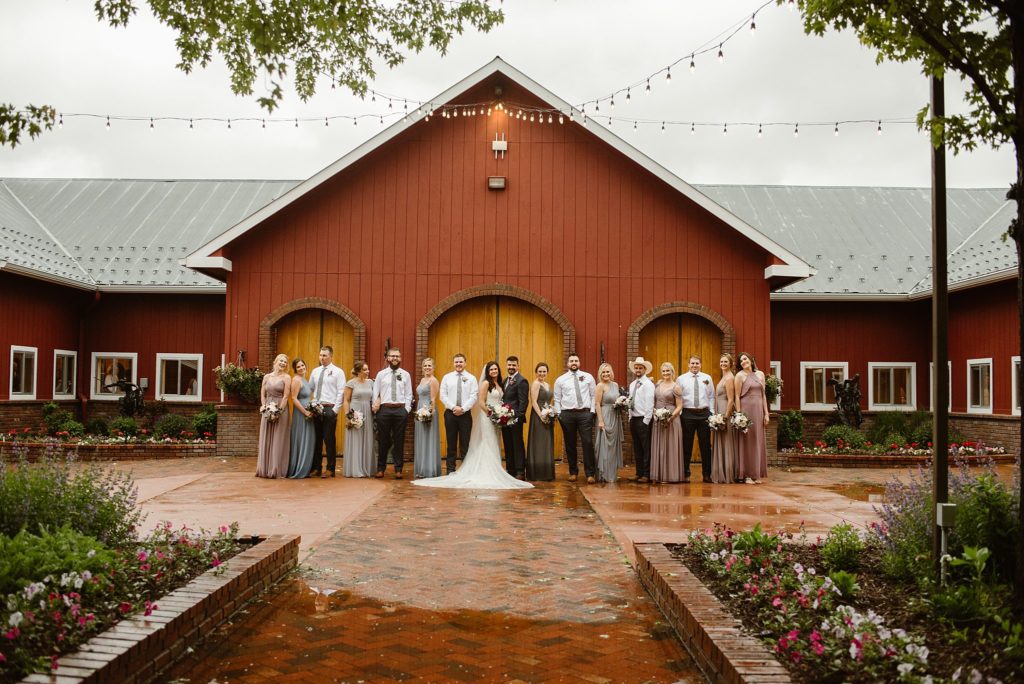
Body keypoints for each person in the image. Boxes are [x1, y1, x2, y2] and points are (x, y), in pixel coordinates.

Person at [412, 362, 533, 490]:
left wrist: (500, 415)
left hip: (497, 419)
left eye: (495, 369)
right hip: (488, 417)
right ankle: (485, 471)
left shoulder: (500, 383)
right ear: (487, 371)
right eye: (491, 369)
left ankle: (495, 468)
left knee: (495, 443)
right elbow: (481, 402)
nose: (494, 371)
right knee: (487, 442)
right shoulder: (486, 383)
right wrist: (491, 414)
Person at [553, 353, 597, 483]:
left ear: (579, 363)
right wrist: (559, 414)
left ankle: (590, 474)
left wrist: (592, 412)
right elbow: (557, 399)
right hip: (567, 415)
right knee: (570, 444)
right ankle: (573, 472)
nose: (574, 362)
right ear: (567, 363)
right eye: (571, 361)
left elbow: (593, 395)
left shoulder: (588, 377)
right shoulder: (560, 380)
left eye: (576, 360)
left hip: (585, 414)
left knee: (587, 442)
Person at [372, 348, 413, 479]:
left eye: (397, 356)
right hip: (384, 410)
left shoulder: (405, 375)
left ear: (400, 358)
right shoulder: (381, 374)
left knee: (399, 440)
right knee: (383, 440)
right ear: (388, 358)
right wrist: (376, 408)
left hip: (400, 410)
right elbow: (375, 392)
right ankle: (380, 469)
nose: (395, 358)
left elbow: (409, 394)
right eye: (392, 356)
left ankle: (398, 469)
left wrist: (406, 410)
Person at [308, 345, 346, 478]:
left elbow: (341, 391)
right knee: (316, 439)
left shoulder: (338, 372)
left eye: (324, 355)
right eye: (320, 355)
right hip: (316, 408)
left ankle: (330, 468)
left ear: (331, 356)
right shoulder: (315, 371)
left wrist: (335, 410)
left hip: (329, 407)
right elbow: (310, 388)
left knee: (329, 439)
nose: (322, 358)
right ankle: (316, 468)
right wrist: (311, 405)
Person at [677, 355, 715, 483]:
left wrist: (711, 412)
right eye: (692, 363)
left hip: (704, 414)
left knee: (705, 446)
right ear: (688, 364)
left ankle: (707, 474)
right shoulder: (681, 379)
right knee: (686, 445)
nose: (694, 365)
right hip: (688, 414)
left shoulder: (707, 378)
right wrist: (680, 413)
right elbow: (678, 397)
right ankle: (685, 473)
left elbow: (711, 396)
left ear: (700, 364)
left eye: (697, 363)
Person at [439, 353, 478, 475]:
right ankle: (450, 469)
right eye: (456, 362)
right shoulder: (447, 377)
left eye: (461, 362)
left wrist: (463, 409)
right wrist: (453, 407)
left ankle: (466, 470)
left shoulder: (471, 378)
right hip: (450, 414)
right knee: (451, 443)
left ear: (465, 363)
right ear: (453, 363)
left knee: (465, 444)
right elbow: (443, 395)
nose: (458, 364)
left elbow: (474, 396)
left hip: (465, 415)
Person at [735, 352, 769, 483]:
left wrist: (766, 413)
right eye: (741, 361)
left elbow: (763, 395)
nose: (743, 362)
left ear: (750, 359)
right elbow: (737, 396)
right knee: (747, 441)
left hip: (758, 411)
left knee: (757, 440)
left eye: (745, 359)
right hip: (746, 411)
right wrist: (739, 414)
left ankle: (756, 474)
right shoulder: (739, 376)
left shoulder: (760, 374)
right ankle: (747, 475)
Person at [256, 353, 292, 478]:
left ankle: (276, 468)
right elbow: (262, 393)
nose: (283, 363)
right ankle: (264, 468)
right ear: (275, 362)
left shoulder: (287, 377)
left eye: (285, 362)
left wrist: (278, 412)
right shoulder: (267, 377)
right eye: (281, 361)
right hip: (267, 409)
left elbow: (286, 396)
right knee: (266, 436)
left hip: (281, 409)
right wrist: (264, 407)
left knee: (278, 437)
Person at [650, 362, 684, 483]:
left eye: (668, 371)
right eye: (663, 371)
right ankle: (659, 474)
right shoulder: (658, 384)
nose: (665, 373)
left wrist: (670, 418)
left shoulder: (676, 387)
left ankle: (671, 475)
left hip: (672, 419)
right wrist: (655, 412)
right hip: (658, 419)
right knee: (659, 445)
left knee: (670, 446)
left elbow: (679, 406)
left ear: (672, 372)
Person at [341, 361, 375, 477]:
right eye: (365, 369)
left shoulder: (370, 383)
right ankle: (355, 469)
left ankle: (366, 468)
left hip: (367, 413)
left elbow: (376, 396)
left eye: (367, 369)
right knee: (356, 439)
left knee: (367, 438)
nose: (367, 371)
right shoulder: (351, 383)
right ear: (358, 371)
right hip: (355, 412)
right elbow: (346, 400)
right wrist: (348, 416)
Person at [710, 353, 739, 484]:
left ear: (731, 363)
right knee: (721, 440)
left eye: (726, 362)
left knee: (726, 441)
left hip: (724, 411)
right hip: (719, 410)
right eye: (721, 362)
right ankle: (720, 471)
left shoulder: (729, 378)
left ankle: (727, 473)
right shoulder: (724, 376)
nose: (723, 364)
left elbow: (731, 399)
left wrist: (725, 417)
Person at [627, 356, 655, 483]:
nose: (638, 370)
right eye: (636, 368)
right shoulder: (632, 384)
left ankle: (646, 474)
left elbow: (650, 403)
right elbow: (631, 400)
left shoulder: (648, 384)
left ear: (644, 369)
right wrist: (630, 417)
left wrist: (646, 420)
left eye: (640, 368)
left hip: (643, 419)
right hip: (634, 419)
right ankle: (638, 472)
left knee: (646, 448)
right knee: (637, 447)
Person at [593, 362, 623, 483]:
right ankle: (603, 474)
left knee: (613, 446)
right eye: (603, 372)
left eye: (608, 372)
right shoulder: (600, 386)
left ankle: (612, 474)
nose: (606, 374)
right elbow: (597, 403)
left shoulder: (615, 385)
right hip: (604, 415)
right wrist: (600, 420)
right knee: (604, 445)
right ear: (600, 374)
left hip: (615, 416)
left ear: (611, 373)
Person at [286, 358, 315, 479]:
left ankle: (305, 468)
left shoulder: (305, 379)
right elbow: (293, 398)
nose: (301, 368)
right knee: (301, 438)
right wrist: (305, 412)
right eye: (298, 367)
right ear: (295, 369)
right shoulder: (296, 380)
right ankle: (298, 468)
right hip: (301, 413)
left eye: (302, 365)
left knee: (308, 439)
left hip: (308, 412)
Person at [526, 362, 555, 481]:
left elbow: (549, 401)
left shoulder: (547, 384)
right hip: (538, 416)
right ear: (536, 372)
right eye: (540, 371)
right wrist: (541, 416)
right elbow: (534, 402)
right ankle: (537, 473)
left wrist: (550, 412)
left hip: (547, 415)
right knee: (538, 443)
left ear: (547, 372)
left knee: (546, 443)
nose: (542, 373)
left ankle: (546, 472)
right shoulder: (536, 384)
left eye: (544, 371)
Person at [501, 355, 529, 479]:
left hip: (515, 418)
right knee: (508, 444)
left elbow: (524, 401)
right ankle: (510, 469)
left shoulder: (522, 381)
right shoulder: (504, 381)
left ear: (518, 366)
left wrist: (518, 417)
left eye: (513, 365)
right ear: (506, 366)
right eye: (509, 365)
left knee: (517, 444)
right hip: (504, 418)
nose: (511, 367)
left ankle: (520, 471)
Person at [413, 357, 442, 478]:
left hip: (428, 411)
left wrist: (429, 413)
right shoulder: (422, 380)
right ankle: (422, 468)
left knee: (428, 439)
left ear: (433, 367)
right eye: (425, 365)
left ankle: (429, 469)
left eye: (429, 365)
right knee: (422, 438)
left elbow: (433, 399)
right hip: (420, 409)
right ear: (422, 367)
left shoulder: (433, 380)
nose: (427, 367)